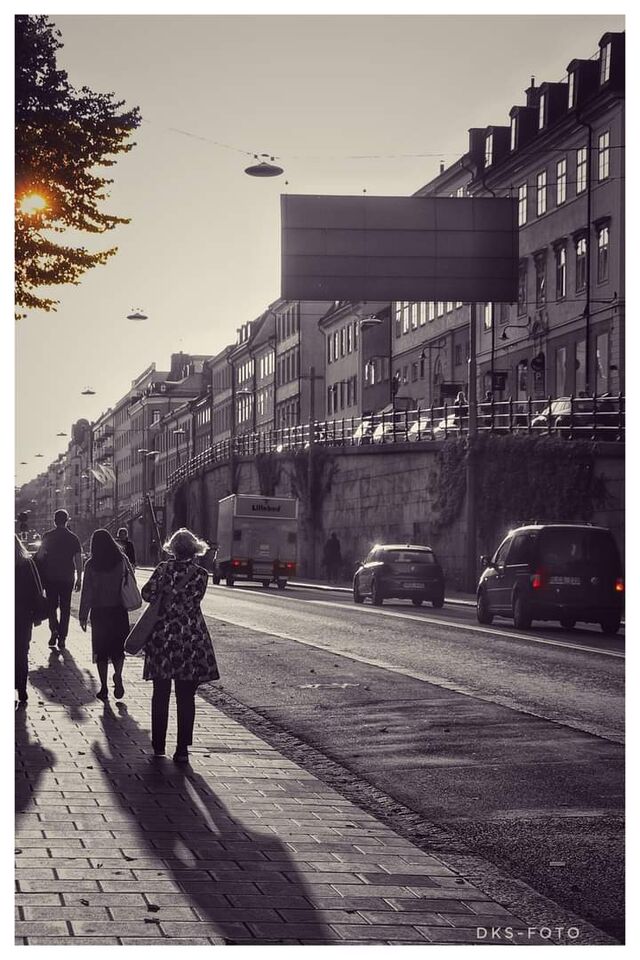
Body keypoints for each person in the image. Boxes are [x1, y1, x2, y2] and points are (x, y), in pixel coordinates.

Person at [140, 528, 219, 763]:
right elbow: (196, 599)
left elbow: (146, 594)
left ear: (172, 549)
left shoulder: (163, 569)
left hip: (162, 638)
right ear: (195, 550)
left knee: (160, 693)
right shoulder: (201, 574)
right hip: (190, 639)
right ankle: (182, 749)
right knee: (186, 696)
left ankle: (158, 745)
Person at [79, 529, 130, 702]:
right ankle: (118, 675)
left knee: (101, 651)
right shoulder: (122, 560)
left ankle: (104, 687)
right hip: (119, 610)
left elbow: (87, 592)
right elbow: (130, 581)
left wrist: (83, 615)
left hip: (99, 612)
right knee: (118, 648)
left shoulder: (91, 565)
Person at [35, 509, 83, 650]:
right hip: (67, 577)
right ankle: (62, 637)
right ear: (67, 520)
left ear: (55, 521)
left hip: (50, 577)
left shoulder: (48, 536)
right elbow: (78, 560)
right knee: (65, 608)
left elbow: (40, 556)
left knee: (51, 606)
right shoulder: (73, 538)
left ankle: (54, 629)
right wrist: (79, 578)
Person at [15, 535, 46, 703]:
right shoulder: (27, 563)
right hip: (23, 614)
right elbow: (37, 588)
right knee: (21, 650)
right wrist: (38, 613)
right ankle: (21, 687)